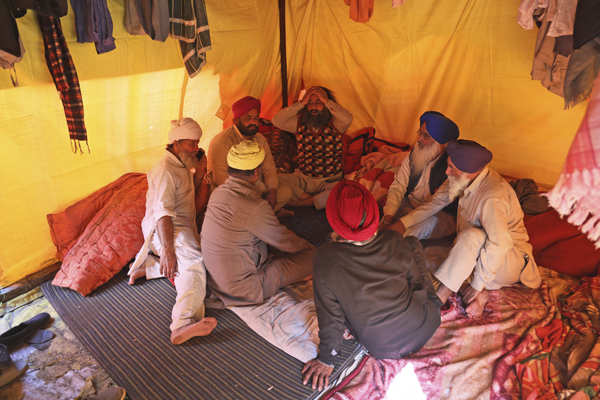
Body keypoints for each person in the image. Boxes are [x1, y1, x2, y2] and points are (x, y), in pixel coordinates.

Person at [302, 180, 442, 391]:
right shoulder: (394, 240)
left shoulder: (325, 259)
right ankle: (426, 302)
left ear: (333, 221)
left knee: (343, 296)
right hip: (427, 322)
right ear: (374, 214)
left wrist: (326, 359)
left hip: (383, 346)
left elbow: (330, 316)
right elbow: (416, 284)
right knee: (412, 244)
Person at [393, 139, 541, 317]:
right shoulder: (460, 177)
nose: (447, 171)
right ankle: (387, 244)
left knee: (470, 237)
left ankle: (439, 299)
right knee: (435, 222)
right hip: (477, 250)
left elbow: (500, 244)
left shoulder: (493, 197)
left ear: (470, 172)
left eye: (451, 168)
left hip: (509, 259)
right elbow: (434, 204)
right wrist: (402, 224)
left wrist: (477, 285)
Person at [128, 118, 217, 345]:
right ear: (175, 143)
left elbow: (195, 206)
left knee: (206, 252)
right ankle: (182, 323)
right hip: (165, 228)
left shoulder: (183, 165)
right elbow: (163, 214)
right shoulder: (166, 170)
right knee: (195, 262)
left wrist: (202, 173)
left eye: (197, 144)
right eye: (191, 144)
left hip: (181, 226)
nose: (195, 149)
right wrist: (168, 250)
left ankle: (149, 269)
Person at [201, 140, 315, 306]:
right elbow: (285, 241)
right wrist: (307, 248)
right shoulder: (256, 207)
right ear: (256, 172)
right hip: (245, 290)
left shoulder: (218, 193)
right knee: (315, 257)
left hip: (217, 283)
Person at [381, 111, 459, 239]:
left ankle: (386, 247)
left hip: (438, 214)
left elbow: (436, 204)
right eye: (420, 133)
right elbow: (399, 185)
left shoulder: (452, 167)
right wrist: (389, 215)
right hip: (409, 205)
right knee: (382, 220)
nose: (419, 139)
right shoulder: (414, 154)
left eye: (426, 136)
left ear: (443, 144)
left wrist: (402, 224)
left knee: (410, 232)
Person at [272, 86, 353, 209]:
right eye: (310, 103)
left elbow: (348, 118)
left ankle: (302, 202)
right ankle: (308, 198)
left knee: (341, 192)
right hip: (304, 179)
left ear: (327, 104)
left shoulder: (336, 124)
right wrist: (301, 103)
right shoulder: (298, 124)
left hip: (329, 181)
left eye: (319, 102)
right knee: (276, 179)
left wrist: (327, 101)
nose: (313, 107)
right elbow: (277, 121)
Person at [207, 96, 279, 209]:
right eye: (248, 118)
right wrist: (253, 195)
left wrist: (272, 190)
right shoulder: (222, 142)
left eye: (256, 118)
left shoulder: (259, 138)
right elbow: (221, 179)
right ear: (236, 120)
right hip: (232, 195)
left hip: (258, 188)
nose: (253, 122)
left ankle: (269, 211)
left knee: (285, 190)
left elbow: (269, 167)